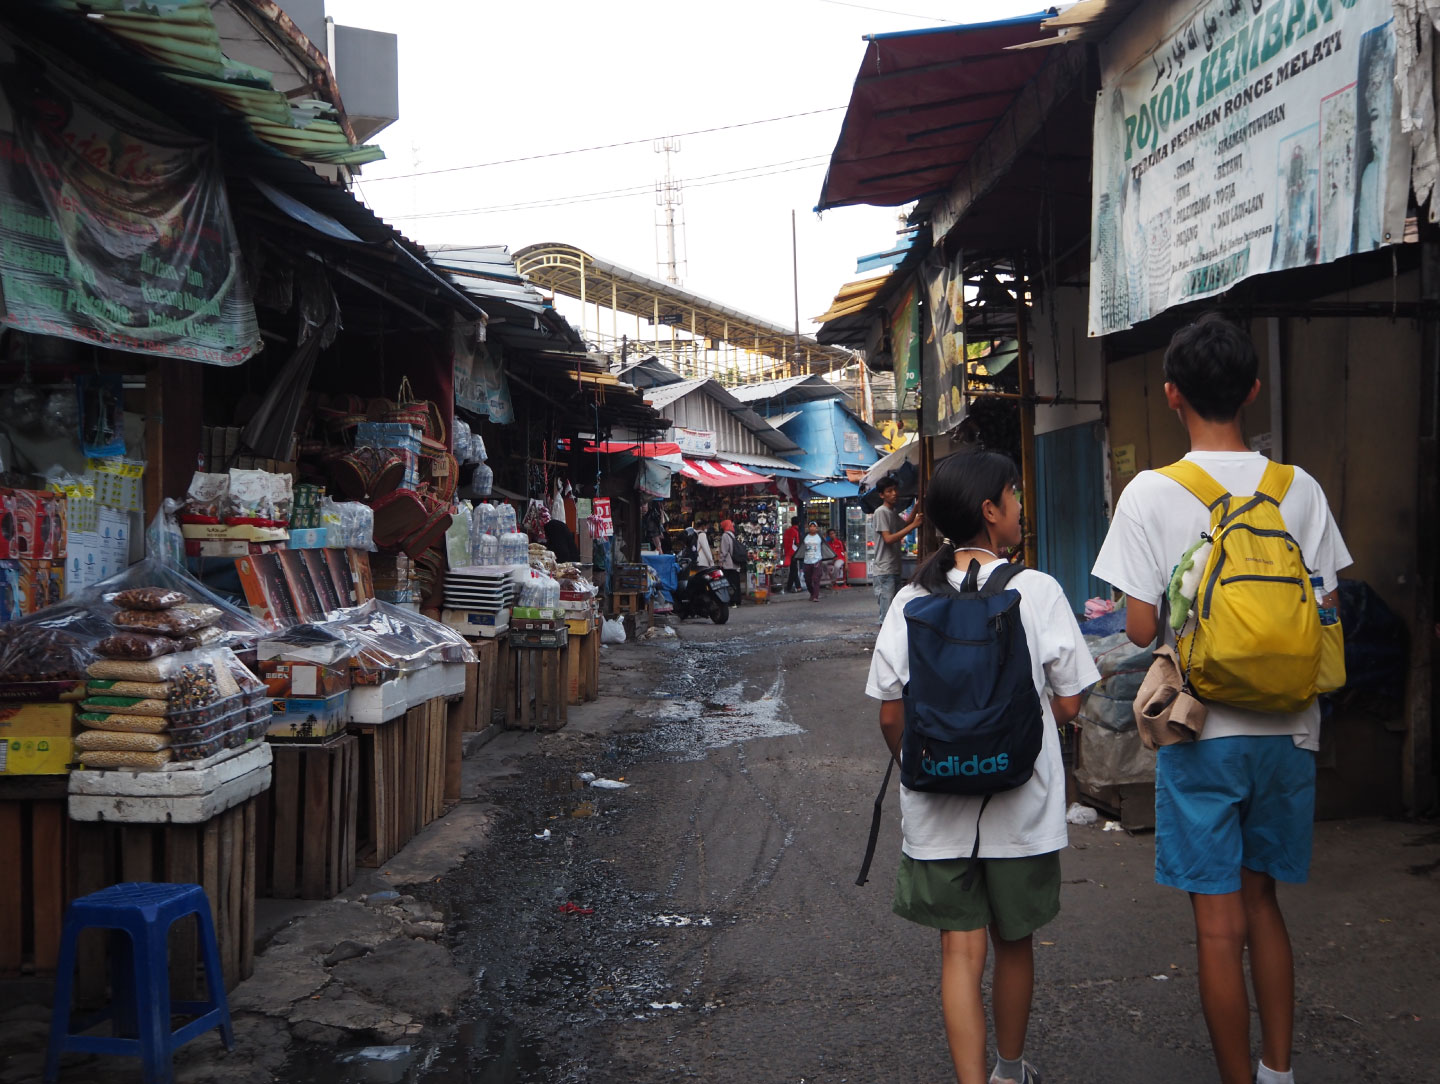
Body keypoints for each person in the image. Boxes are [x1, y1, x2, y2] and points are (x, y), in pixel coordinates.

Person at [1091, 313, 1351, 1084]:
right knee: (1263, 904)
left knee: (1216, 926)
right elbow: (1327, 606)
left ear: (1171, 394)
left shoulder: (1151, 493)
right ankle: (1279, 1072)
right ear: (1254, 391)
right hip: (1290, 729)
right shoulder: (1296, 488)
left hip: (1200, 728)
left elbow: (1140, 629)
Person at [867, 451, 1098, 1084]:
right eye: (1014, 495)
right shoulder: (1038, 590)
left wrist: (925, 763)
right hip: (1022, 800)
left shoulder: (911, 598)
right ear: (990, 511)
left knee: (959, 948)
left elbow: (891, 715)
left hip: (938, 808)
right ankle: (1009, 1072)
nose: (1021, 505)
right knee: (1014, 940)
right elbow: (1072, 701)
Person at [871, 475, 923, 623]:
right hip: (884, 571)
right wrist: (914, 526)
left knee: (893, 615)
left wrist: (917, 507)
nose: (894, 493)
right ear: (882, 495)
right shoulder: (881, 512)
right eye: (889, 491)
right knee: (887, 617)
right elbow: (888, 539)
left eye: (894, 490)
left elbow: (905, 524)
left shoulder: (891, 512)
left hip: (893, 569)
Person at [718, 518, 742, 607]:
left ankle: (731, 601)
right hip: (735, 564)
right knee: (735, 583)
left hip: (728, 564)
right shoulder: (732, 534)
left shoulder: (725, 536)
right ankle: (736, 601)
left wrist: (720, 562)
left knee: (728, 583)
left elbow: (724, 551)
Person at [801, 520, 824, 602]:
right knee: (807, 579)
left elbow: (824, 547)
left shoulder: (819, 537)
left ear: (817, 528)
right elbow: (801, 547)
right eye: (811, 526)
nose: (812, 528)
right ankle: (812, 593)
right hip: (807, 561)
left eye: (814, 526)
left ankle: (816, 596)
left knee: (816, 578)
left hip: (817, 560)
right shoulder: (805, 537)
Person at [781, 516, 802, 593]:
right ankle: (798, 586)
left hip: (787, 552)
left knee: (793, 569)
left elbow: (783, 542)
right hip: (794, 552)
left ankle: (789, 586)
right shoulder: (796, 531)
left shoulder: (787, 531)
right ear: (799, 523)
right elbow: (797, 543)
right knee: (794, 570)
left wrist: (782, 552)